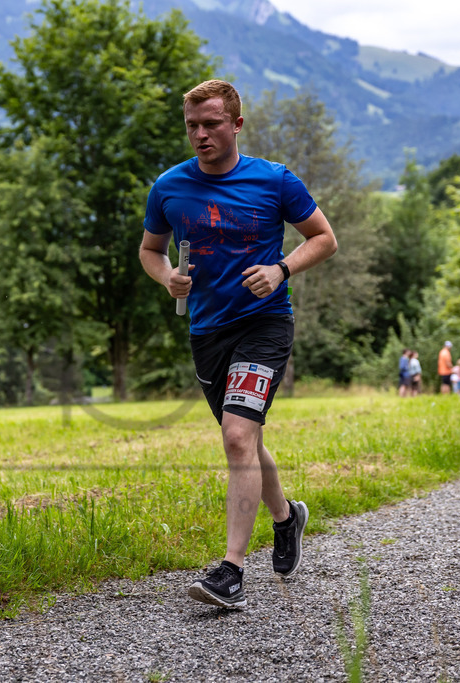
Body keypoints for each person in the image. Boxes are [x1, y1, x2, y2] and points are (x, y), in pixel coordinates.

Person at [139, 79, 338, 609]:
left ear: (236, 125)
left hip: (265, 323)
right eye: (192, 126)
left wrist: (281, 269)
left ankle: (231, 571)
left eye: (210, 124)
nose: (200, 135)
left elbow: (324, 238)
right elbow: (150, 251)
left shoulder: (274, 180)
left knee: (235, 438)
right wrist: (166, 279)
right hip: (207, 331)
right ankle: (286, 517)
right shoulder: (169, 187)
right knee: (246, 440)